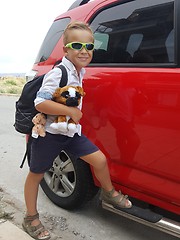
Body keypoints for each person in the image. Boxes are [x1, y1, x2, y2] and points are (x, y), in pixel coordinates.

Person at [22, 21, 132, 240]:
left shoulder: (79, 71)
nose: (84, 51)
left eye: (89, 47)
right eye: (77, 46)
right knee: (36, 175)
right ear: (66, 49)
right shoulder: (59, 72)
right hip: (50, 135)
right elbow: (40, 103)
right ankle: (31, 217)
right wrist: (71, 112)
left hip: (70, 134)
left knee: (99, 160)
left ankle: (109, 193)